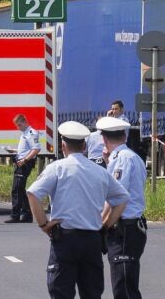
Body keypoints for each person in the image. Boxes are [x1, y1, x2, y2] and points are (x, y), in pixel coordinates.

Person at [28, 120, 127, 299]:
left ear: (63, 145)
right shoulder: (100, 171)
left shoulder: (56, 168)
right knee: (92, 293)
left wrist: (44, 225)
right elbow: (122, 199)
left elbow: (33, 194)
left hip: (65, 238)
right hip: (92, 240)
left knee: (61, 292)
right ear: (84, 146)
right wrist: (105, 226)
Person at [97, 116, 148, 299]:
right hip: (129, 228)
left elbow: (116, 198)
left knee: (124, 288)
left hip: (124, 228)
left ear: (104, 139)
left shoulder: (122, 159)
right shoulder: (129, 157)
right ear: (124, 136)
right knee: (125, 284)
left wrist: (102, 225)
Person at [6, 113, 43, 224]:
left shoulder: (31, 133)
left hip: (25, 163)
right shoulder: (25, 133)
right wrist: (14, 151)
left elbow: (36, 149)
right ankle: (26, 214)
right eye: (17, 125)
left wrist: (24, 160)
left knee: (16, 189)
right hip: (21, 162)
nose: (18, 128)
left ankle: (16, 215)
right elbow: (26, 149)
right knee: (20, 189)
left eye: (19, 125)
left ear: (24, 122)